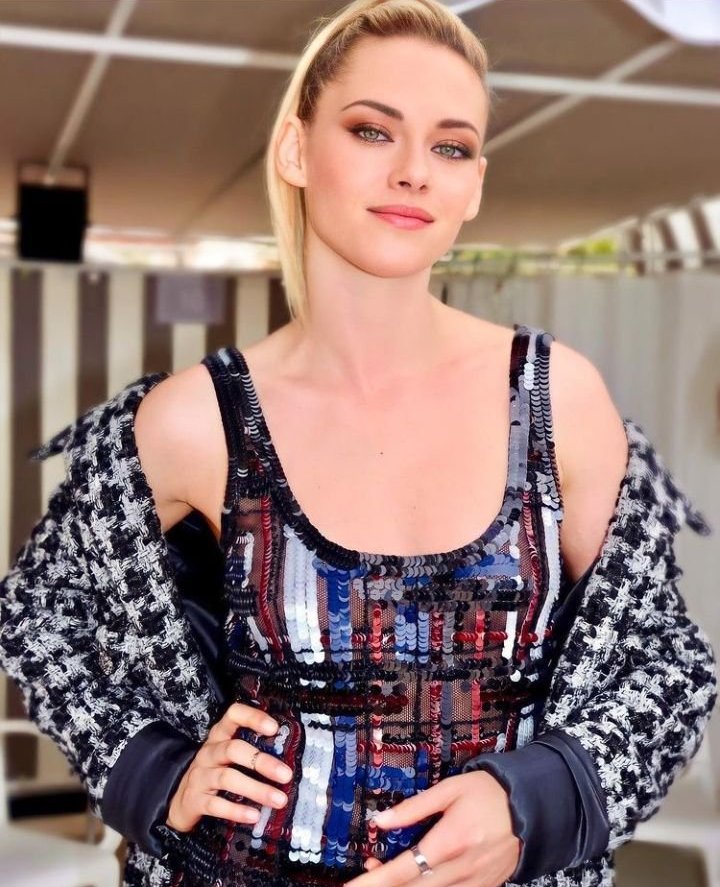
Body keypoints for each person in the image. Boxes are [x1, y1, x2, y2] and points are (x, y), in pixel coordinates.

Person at [0, 2, 716, 887]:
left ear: (475, 184)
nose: (413, 171)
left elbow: (665, 661)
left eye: (450, 146)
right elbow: (41, 613)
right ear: (296, 149)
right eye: (373, 130)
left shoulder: (557, 399)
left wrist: (533, 803)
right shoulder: (196, 419)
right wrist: (155, 772)